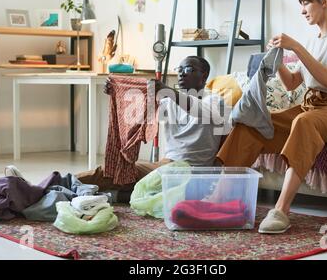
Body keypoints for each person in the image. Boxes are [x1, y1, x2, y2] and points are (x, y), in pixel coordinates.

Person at [216, 0, 327, 234]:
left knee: (303, 121)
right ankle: (220, 199)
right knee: (252, 122)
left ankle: (281, 210)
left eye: (306, 3)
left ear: (325, 2)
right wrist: (280, 59)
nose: (302, 9)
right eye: (301, 4)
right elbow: (293, 84)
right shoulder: (313, 41)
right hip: (310, 106)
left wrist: (295, 45)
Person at [76, 56, 231, 201]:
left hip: (194, 173)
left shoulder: (215, 101)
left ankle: (113, 196)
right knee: (116, 171)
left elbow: (198, 110)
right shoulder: (169, 102)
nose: (182, 74)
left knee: (151, 189)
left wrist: (168, 91)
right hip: (166, 165)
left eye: (189, 70)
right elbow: (137, 111)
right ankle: (64, 182)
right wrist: (116, 91)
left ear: (204, 76)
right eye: (179, 70)